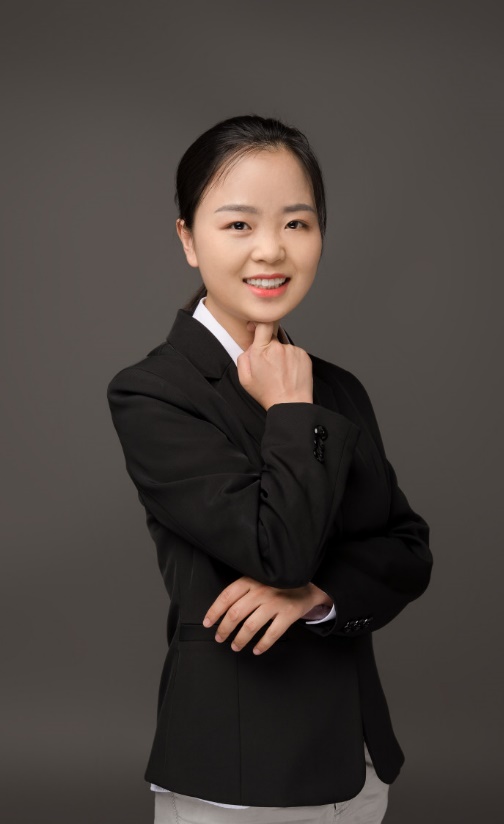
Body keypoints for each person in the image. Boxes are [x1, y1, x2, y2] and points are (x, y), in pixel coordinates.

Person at [106, 114, 433, 823]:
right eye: (238, 225)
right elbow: (276, 550)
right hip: (240, 775)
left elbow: (409, 552)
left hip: (359, 766)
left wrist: (317, 595)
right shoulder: (154, 392)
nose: (272, 250)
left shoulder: (337, 387)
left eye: (297, 223)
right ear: (188, 239)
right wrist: (290, 411)